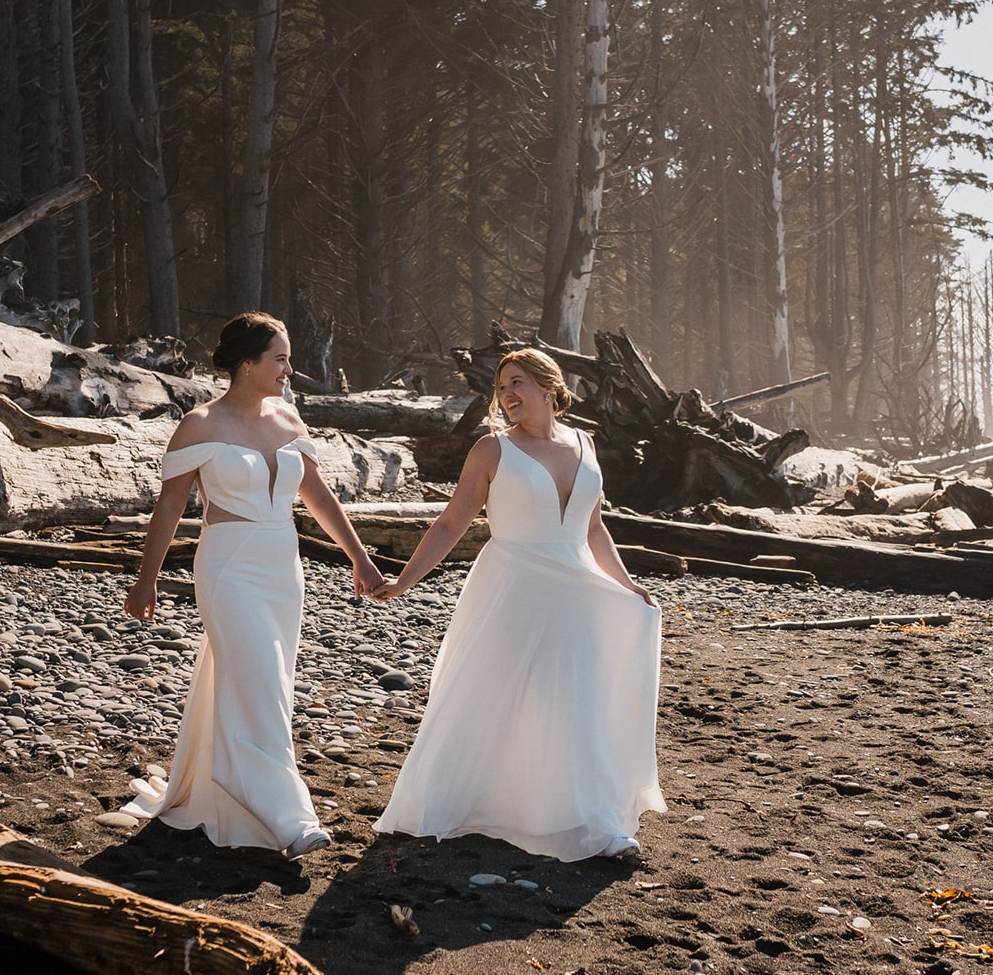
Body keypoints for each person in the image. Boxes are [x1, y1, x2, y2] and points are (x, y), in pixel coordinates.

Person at [370, 348, 665, 861]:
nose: (507, 395)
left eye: (517, 383)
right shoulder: (491, 450)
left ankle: (591, 818)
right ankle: (476, 802)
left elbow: (594, 529)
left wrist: (627, 586)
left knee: (578, 698)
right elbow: (450, 523)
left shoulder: (585, 442)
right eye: (501, 387)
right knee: (495, 694)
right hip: (514, 585)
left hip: (578, 590)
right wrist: (404, 580)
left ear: (550, 386)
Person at [121, 313, 385, 859]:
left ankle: (221, 783)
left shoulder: (290, 421)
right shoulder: (199, 424)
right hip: (228, 568)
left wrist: (359, 560)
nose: (290, 369)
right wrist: (147, 580)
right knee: (260, 682)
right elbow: (170, 506)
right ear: (247, 365)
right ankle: (290, 819)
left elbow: (318, 497)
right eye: (281, 359)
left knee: (264, 684)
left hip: (282, 567)